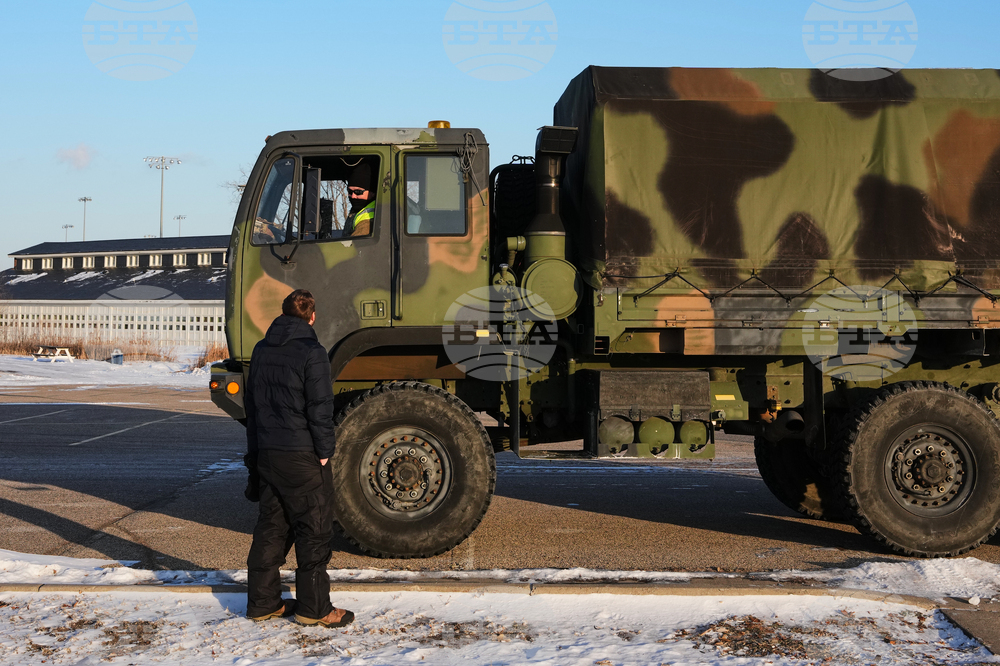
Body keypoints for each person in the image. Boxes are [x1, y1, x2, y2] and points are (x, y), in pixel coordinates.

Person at [243, 289, 354, 628]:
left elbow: (253, 405)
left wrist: (255, 452)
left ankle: (263, 603)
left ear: (282, 313)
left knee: (271, 527)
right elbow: (319, 408)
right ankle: (315, 609)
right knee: (314, 530)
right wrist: (324, 452)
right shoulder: (312, 351)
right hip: (302, 455)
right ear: (312, 317)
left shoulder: (261, 349)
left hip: (268, 453)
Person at [343, 162, 377, 236]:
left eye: (358, 192)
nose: (353, 196)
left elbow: (357, 241)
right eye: (350, 191)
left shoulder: (369, 216)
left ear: (372, 193)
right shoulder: (359, 211)